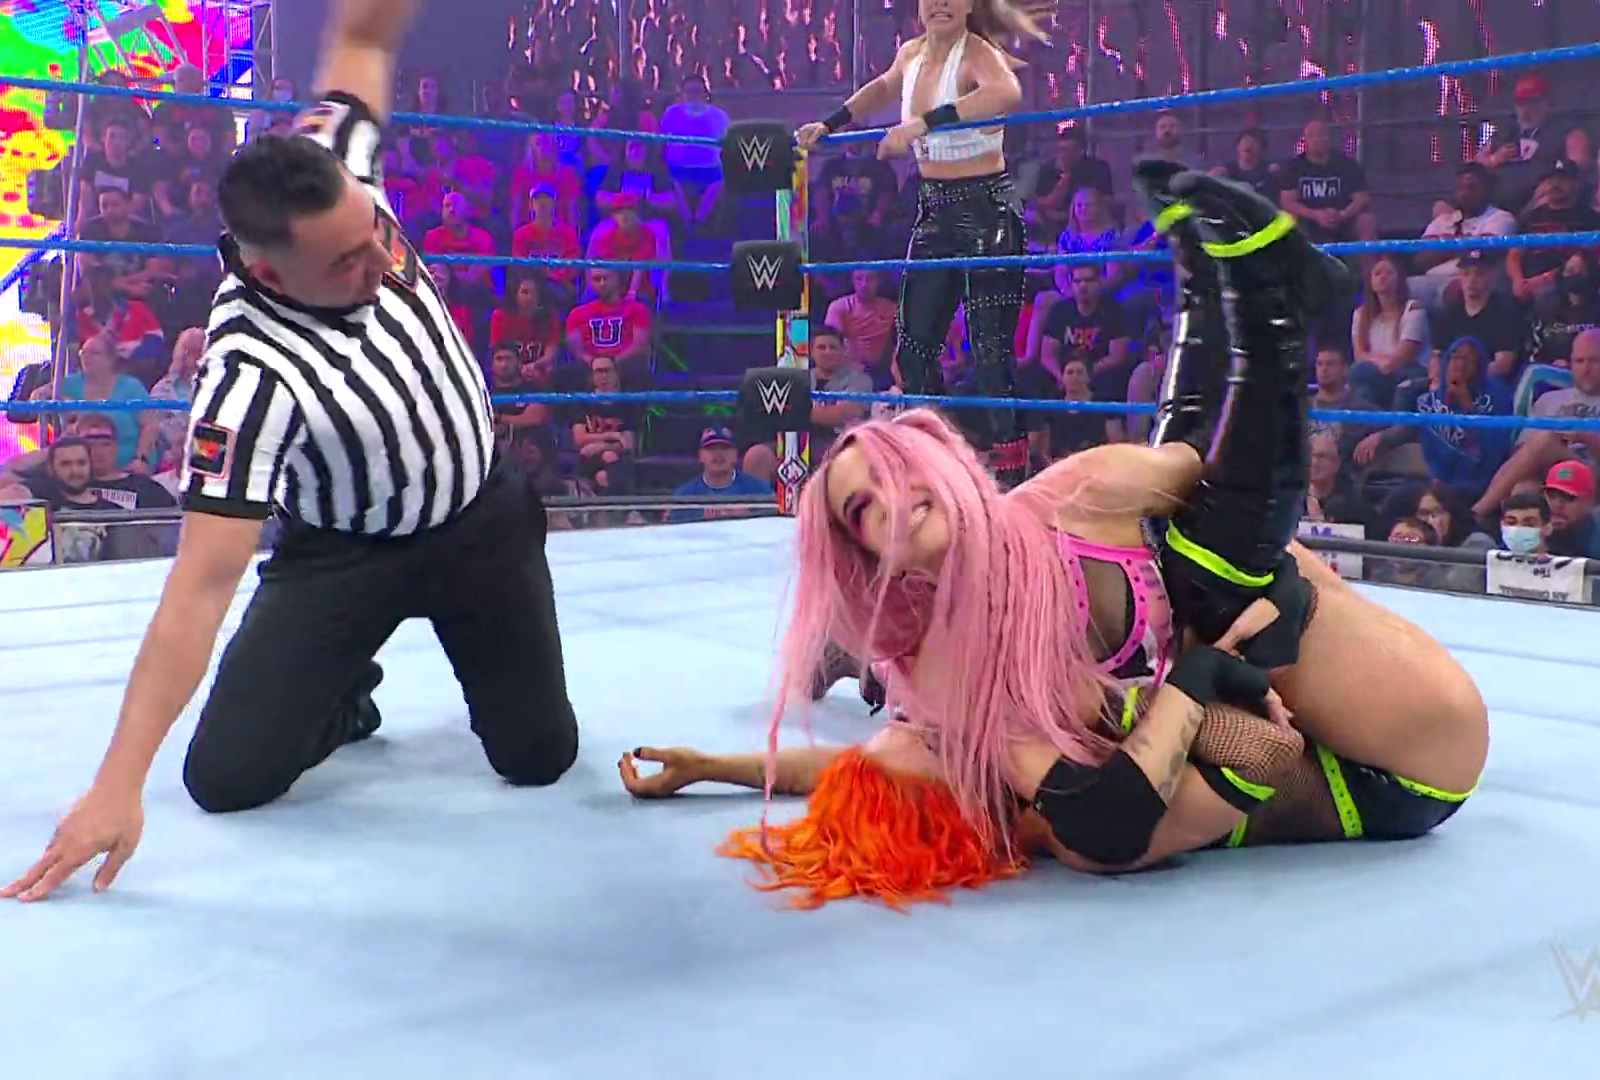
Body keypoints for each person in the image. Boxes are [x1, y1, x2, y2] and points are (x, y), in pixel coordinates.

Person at [622, 172, 1488, 906]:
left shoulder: (1052, 523)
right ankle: (1271, 306)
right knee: (1210, 587)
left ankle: (1222, 284)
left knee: (1187, 531)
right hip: (1397, 764)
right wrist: (1200, 686)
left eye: (897, 470)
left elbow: (1195, 457)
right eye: (862, 511)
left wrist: (713, 766)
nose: (892, 501)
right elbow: (1244, 757)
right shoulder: (1002, 748)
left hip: (1346, 686)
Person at [2, 0, 580, 903]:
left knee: (540, 758)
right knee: (224, 778)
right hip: (343, 554)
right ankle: (343, 693)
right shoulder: (247, 377)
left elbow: (362, 38)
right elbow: (201, 582)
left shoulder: (331, 170)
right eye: (347, 262)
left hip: (481, 523)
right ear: (268, 270)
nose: (382, 264)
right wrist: (117, 784)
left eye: (376, 231)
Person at [793, 0, 1051, 488]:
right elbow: (882, 87)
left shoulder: (976, 52)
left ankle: (1013, 481)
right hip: (934, 210)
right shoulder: (910, 53)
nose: (941, 3)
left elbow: (1005, 91)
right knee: (912, 352)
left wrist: (922, 123)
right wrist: (829, 123)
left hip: (987, 211)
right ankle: (943, 465)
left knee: (991, 355)